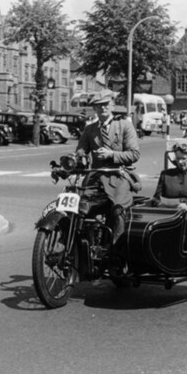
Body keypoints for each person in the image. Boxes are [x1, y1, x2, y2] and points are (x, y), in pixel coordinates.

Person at [76, 90, 141, 274]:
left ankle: (117, 255)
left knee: (118, 209)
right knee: (78, 207)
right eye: (98, 106)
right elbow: (80, 150)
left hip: (119, 175)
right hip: (96, 177)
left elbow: (134, 154)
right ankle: (79, 248)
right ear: (94, 109)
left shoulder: (125, 125)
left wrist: (112, 154)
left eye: (105, 104)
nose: (102, 108)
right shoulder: (90, 129)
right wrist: (79, 157)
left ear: (112, 105)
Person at [148, 139, 187, 209]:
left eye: (184, 158)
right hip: (167, 211)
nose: (180, 162)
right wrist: (160, 204)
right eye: (178, 159)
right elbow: (156, 198)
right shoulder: (165, 175)